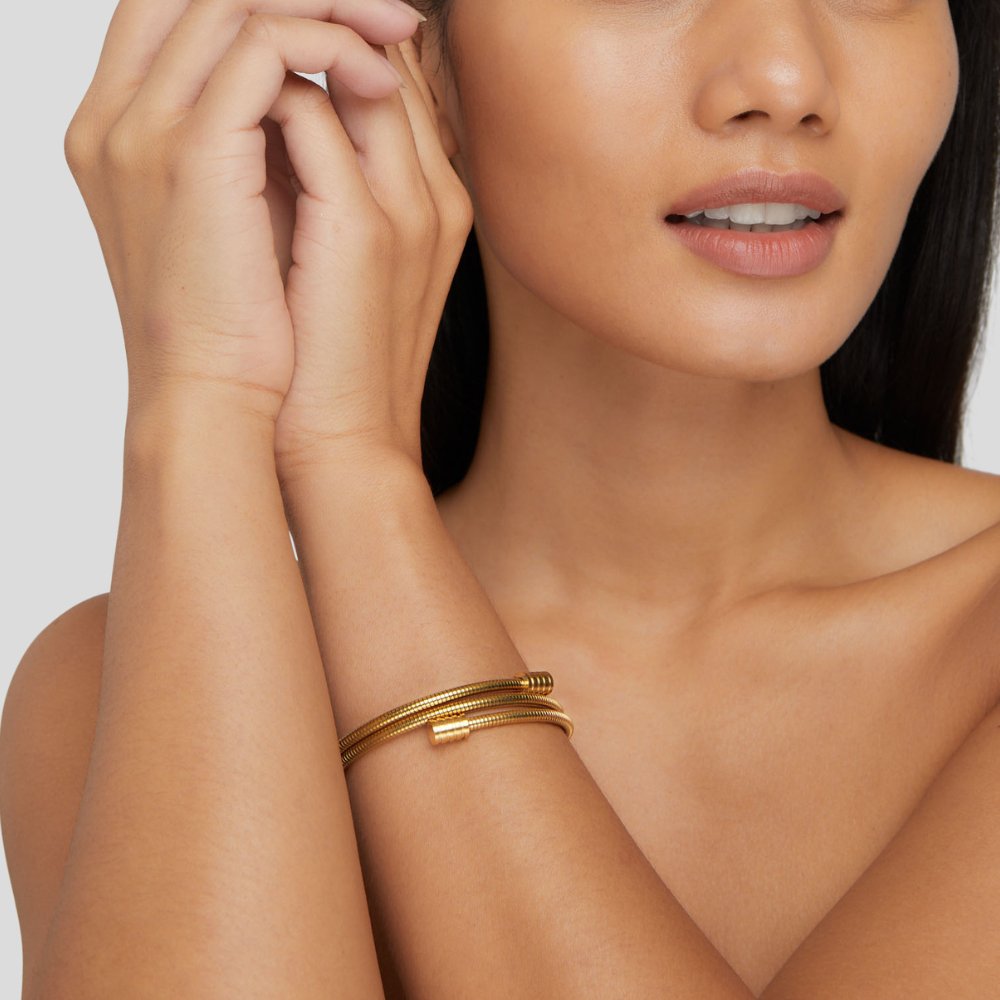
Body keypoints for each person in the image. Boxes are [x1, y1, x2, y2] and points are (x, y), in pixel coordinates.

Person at [1, 0, 998, 997]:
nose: (784, 83)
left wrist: (354, 471)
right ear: (409, 56)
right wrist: (204, 399)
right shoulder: (128, 684)